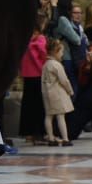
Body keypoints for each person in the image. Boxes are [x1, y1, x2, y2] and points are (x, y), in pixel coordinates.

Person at [17, 11, 49, 145]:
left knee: (34, 105)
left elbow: (42, 54)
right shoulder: (34, 39)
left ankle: (34, 132)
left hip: (34, 75)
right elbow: (42, 55)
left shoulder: (37, 39)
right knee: (32, 105)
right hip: (32, 74)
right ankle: (32, 132)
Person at [41, 38, 74, 146]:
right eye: (61, 52)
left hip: (47, 93)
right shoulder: (57, 65)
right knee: (60, 116)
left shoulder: (46, 64)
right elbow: (64, 80)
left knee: (49, 115)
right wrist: (70, 90)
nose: (62, 54)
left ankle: (50, 138)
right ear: (55, 52)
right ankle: (65, 138)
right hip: (57, 93)